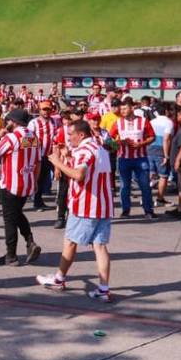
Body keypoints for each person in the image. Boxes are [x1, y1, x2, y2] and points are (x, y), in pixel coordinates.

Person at [36, 120, 115, 301]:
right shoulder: (99, 147)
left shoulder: (84, 151)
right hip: (103, 204)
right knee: (100, 246)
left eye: (71, 134)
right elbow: (88, 167)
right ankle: (103, 288)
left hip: (85, 205)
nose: (68, 137)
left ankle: (59, 278)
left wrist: (58, 162)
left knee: (70, 242)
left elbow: (79, 174)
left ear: (80, 135)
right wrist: (68, 157)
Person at [0, 109, 43, 267]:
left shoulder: (11, 137)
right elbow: (38, 161)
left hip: (11, 184)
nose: (7, 123)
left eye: (8, 120)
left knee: (9, 220)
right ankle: (29, 241)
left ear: (14, 121)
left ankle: (11, 256)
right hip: (27, 182)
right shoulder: (33, 136)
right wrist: (35, 181)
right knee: (16, 213)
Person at [109, 98, 156, 218]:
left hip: (140, 158)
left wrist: (141, 144)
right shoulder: (118, 122)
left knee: (145, 185)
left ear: (132, 108)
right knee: (125, 186)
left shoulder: (143, 121)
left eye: (125, 108)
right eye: (121, 108)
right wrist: (119, 143)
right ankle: (125, 210)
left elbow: (152, 137)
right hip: (124, 158)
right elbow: (108, 140)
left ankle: (148, 210)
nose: (122, 111)